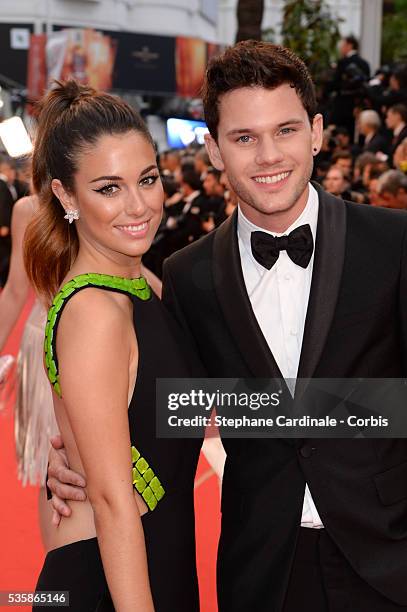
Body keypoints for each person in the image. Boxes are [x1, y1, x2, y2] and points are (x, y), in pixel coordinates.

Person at [48, 42, 407, 612]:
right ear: (213, 148)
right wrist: (82, 453)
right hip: (261, 568)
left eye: (286, 130)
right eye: (244, 138)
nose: (268, 156)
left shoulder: (394, 243)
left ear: (317, 132)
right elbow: (181, 402)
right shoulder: (185, 276)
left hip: (389, 560)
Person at [27, 80, 202, 611]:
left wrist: (368, 412)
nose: (138, 205)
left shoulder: (141, 283)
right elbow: (110, 499)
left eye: (147, 179)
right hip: (114, 578)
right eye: (108, 188)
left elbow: (192, 406)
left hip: (151, 558)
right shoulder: (94, 311)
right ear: (65, 195)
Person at [0, 194, 59, 549]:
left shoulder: (112, 191)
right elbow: (15, 291)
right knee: (55, 472)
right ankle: (64, 588)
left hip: (113, 337)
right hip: (48, 345)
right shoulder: (30, 209)